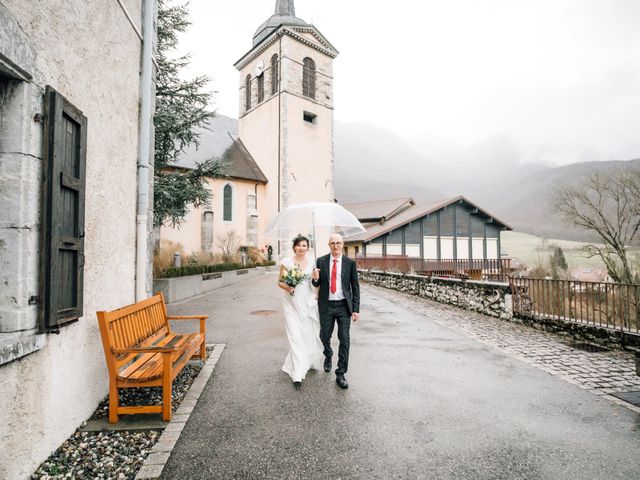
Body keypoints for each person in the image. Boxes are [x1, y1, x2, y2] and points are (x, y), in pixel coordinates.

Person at [311, 233, 360, 389]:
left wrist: (356, 309)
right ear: (329, 244)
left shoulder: (350, 263)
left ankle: (341, 373)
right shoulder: (321, 261)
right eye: (333, 243)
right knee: (324, 336)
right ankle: (328, 354)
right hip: (326, 305)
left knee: (344, 339)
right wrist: (315, 277)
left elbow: (355, 287)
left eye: (338, 243)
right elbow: (316, 283)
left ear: (342, 244)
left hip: (344, 306)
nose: (336, 245)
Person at [278, 234, 324, 388]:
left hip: (306, 301)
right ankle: (297, 372)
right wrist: (289, 287)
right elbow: (280, 282)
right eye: (299, 245)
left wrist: (316, 279)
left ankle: (305, 360)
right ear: (294, 247)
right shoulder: (286, 262)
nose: (301, 248)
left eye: (304, 245)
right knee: (294, 334)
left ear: (307, 248)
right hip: (290, 302)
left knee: (306, 333)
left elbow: (315, 284)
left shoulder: (313, 262)